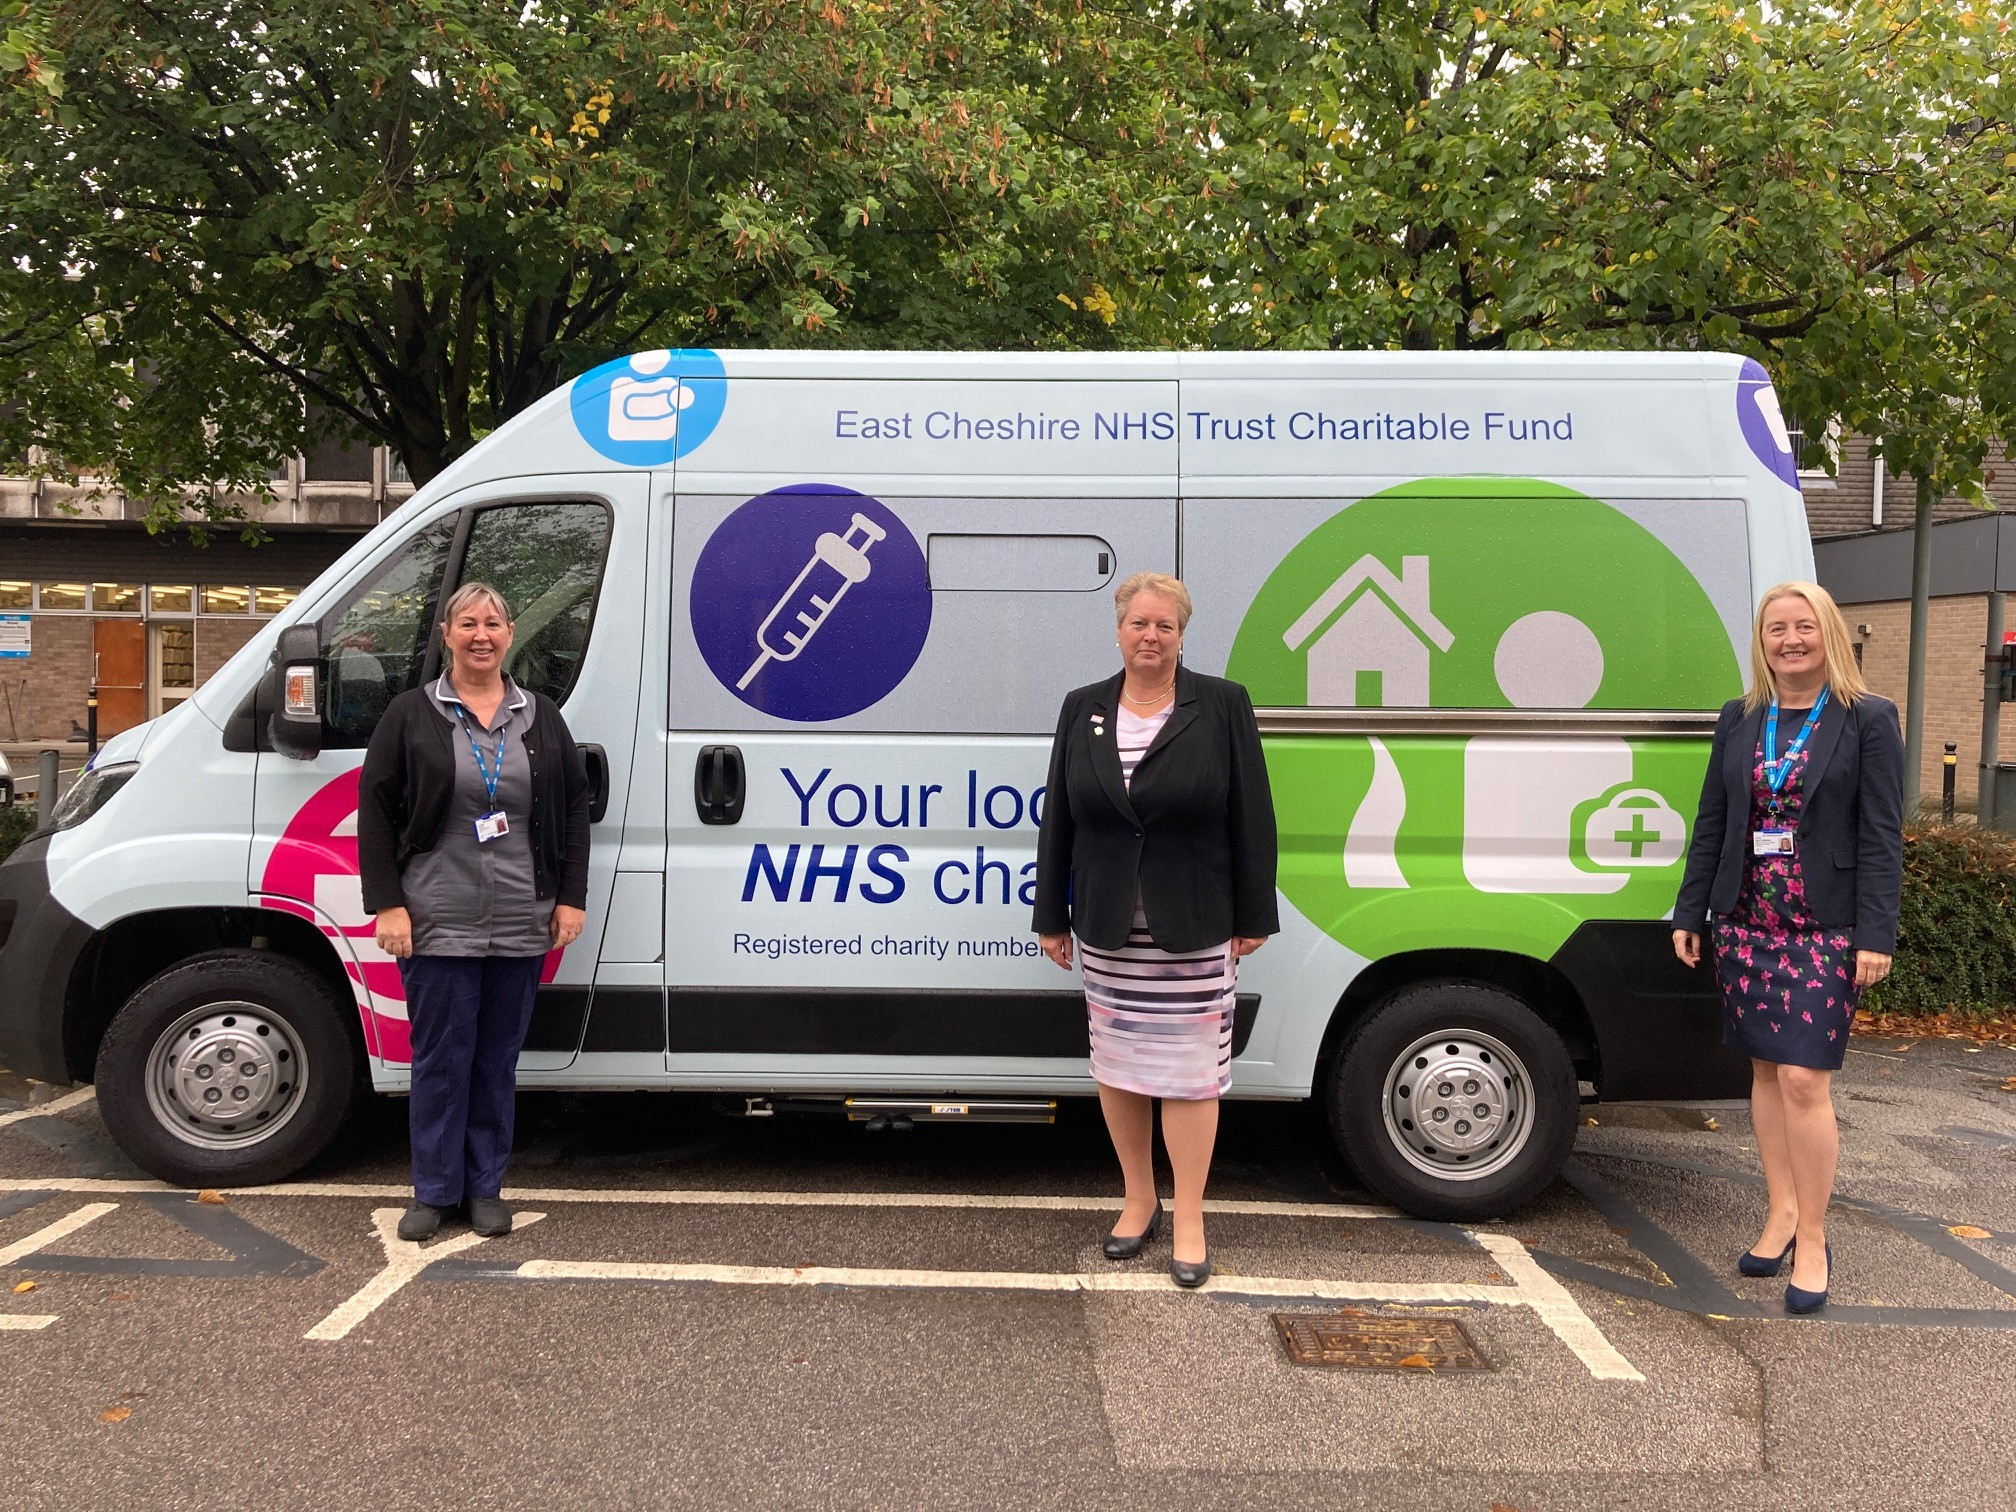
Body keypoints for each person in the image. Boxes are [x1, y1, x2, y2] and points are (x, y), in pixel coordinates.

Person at [1033, 572, 1279, 1288]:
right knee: (1120, 1069)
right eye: (1139, 624)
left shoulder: (1222, 705)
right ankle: (1139, 1200)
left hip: (1196, 923)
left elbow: (1252, 816)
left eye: (1164, 627)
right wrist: (1053, 914)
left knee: (1193, 1077)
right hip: (1111, 929)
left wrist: (1254, 914)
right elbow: (1062, 822)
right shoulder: (1084, 709)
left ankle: (1193, 1214)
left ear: (1181, 635)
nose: (1151, 636)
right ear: (1118, 629)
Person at [1672, 580, 1903, 1314]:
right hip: (1747, 922)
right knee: (1767, 1074)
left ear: (1827, 633)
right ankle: (1777, 1213)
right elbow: (1714, 819)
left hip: (1824, 931)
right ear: (1762, 641)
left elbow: (1880, 835)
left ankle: (1813, 1235)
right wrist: (1690, 910)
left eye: (1805, 626)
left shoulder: (1867, 719)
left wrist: (1875, 933)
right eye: (1778, 628)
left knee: (1806, 1081)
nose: (1791, 640)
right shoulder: (1740, 719)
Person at [359, 582, 592, 1241]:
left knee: (496, 1062)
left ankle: (484, 1189)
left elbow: (573, 811)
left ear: (511, 635)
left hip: (522, 916)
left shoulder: (539, 715)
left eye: (493, 623)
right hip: (436, 917)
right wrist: (388, 906)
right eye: (468, 623)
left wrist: (570, 897)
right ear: (446, 634)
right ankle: (433, 1193)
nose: (481, 634)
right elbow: (374, 812)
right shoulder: (411, 714)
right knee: (440, 1060)